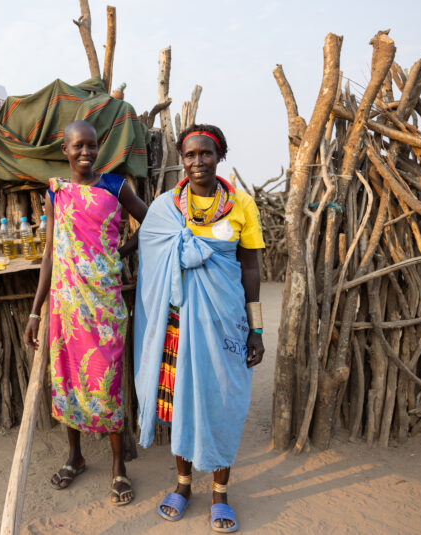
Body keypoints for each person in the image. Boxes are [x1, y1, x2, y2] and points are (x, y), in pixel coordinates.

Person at [133, 124, 265, 532]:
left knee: (222, 400)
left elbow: (250, 267)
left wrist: (256, 330)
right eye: (189, 154)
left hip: (226, 320)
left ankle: (220, 494)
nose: (197, 161)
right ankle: (183, 485)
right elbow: (149, 249)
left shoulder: (242, 205)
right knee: (180, 403)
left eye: (205, 153)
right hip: (178, 322)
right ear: (181, 159)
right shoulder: (167, 207)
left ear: (219, 156)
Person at [24, 120, 148, 506]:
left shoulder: (115, 186)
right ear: (65, 149)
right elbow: (50, 253)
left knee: (106, 381)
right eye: (78, 146)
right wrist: (35, 312)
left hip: (104, 305)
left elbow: (151, 222)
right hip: (65, 305)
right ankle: (75, 456)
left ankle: (118, 466)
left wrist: (119, 253)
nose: (86, 152)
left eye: (91, 145)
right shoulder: (56, 192)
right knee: (66, 380)